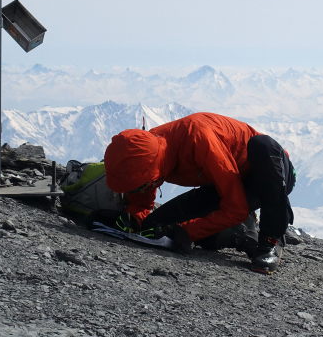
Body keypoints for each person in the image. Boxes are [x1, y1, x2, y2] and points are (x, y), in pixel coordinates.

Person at [102, 112, 295, 274]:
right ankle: (243, 231)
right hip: (226, 182)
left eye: (144, 185)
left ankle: (271, 239)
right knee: (155, 227)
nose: (143, 188)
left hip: (270, 173)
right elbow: (142, 189)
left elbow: (235, 208)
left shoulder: (199, 139)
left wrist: (188, 231)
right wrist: (136, 218)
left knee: (263, 145)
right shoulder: (147, 148)